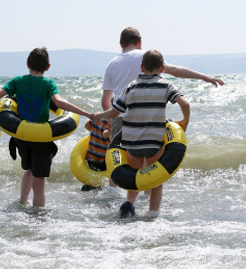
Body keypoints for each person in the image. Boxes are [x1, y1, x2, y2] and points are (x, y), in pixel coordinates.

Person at [0, 47, 94, 207]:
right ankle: (38, 217)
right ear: (48, 67)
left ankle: (22, 201)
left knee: (29, 169)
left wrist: (6, 112)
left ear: (27, 63)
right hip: (41, 137)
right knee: (39, 179)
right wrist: (87, 113)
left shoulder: (17, 81)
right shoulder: (48, 84)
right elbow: (59, 103)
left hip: (21, 136)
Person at [92, 49, 191, 217]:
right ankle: (153, 214)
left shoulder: (131, 86)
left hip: (132, 140)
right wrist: (184, 123)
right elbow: (185, 104)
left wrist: (101, 115)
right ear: (162, 68)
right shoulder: (166, 85)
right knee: (156, 180)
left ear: (141, 66)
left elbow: (116, 111)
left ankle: (129, 204)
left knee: (135, 174)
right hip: (154, 141)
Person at [101, 27, 223, 142]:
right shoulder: (147, 57)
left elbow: (105, 102)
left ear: (121, 44)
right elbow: (175, 70)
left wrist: (112, 120)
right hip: (149, 119)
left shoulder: (111, 64)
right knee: (148, 157)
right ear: (140, 42)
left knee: (122, 160)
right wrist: (204, 77)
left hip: (121, 119)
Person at [80, 118, 110, 191]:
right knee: (99, 178)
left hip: (91, 156)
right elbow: (105, 134)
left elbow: (87, 126)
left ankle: (88, 189)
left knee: (93, 176)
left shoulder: (98, 118)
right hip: (102, 158)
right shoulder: (110, 122)